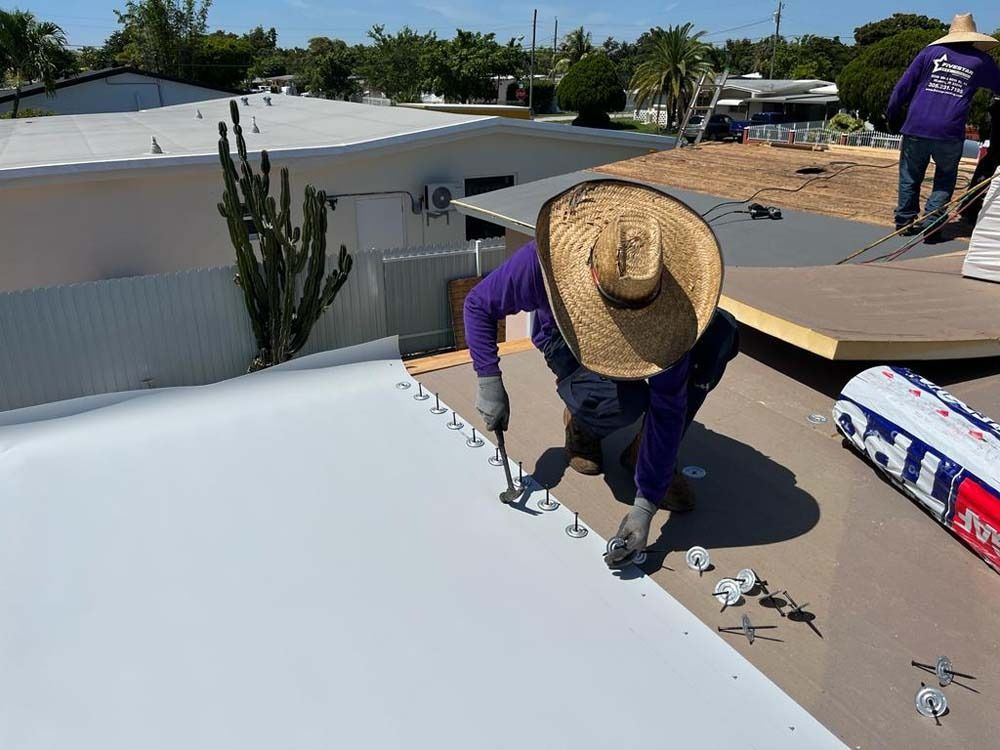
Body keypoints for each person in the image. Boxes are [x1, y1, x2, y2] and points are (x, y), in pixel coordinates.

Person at [463, 180, 738, 568]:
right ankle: (583, 424)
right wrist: (488, 378)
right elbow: (477, 305)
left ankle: (646, 452)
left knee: (719, 336)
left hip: (657, 331)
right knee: (621, 401)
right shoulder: (539, 266)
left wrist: (644, 507)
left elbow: (668, 404)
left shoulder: (665, 306)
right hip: (565, 342)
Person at [887, 14, 1000, 236]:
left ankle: (905, 221)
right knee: (945, 178)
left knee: (910, 175)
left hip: (916, 126)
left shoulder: (929, 53)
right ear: (973, 38)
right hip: (950, 130)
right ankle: (932, 223)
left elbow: (903, 87)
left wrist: (892, 115)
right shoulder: (980, 61)